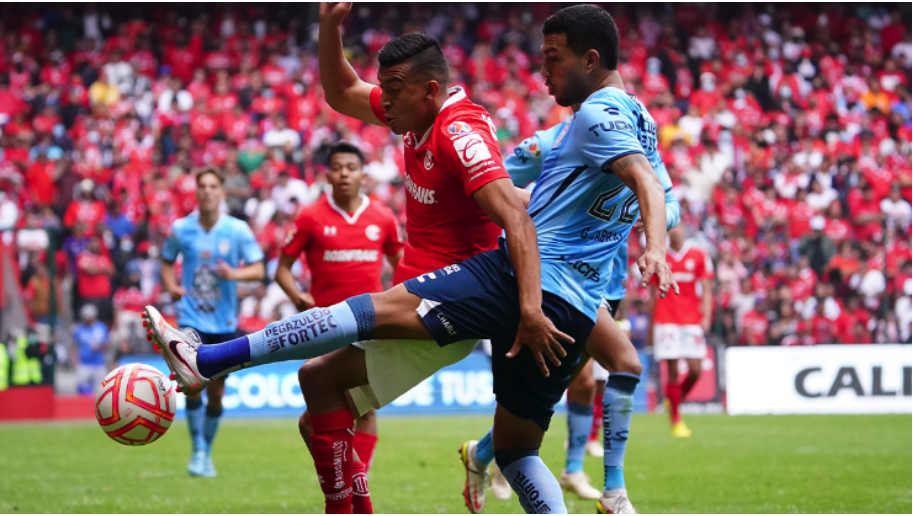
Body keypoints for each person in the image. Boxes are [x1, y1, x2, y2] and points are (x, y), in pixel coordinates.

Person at [145, 4, 676, 515]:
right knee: (511, 449)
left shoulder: (470, 131)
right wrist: (330, 27)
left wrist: (634, 256)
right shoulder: (423, 111)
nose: (540, 73)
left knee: (344, 344)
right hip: (556, 301)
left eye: (551, 58)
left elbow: (523, 215)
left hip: (489, 289)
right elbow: (343, 91)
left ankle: (210, 361)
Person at [459, 63, 681, 514]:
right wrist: (538, 202)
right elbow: (494, 186)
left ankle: (486, 453)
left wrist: (647, 216)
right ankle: (610, 488)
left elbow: (668, 201)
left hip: (607, 282)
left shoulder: (633, 142)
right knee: (619, 364)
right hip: (557, 280)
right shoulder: (547, 143)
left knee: (561, 385)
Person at [275, 141, 403, 511]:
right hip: (324, 326)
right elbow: (282, 268)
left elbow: (403, 264)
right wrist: (298, 296)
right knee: (325, 412)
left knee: (362, 408)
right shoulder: (309, 217)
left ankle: (352, 486)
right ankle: (354, 484)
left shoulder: (381, 217)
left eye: (351, 167)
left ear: (363, 174)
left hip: (371, 325)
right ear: (327, 174)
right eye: (337, 167)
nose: (344, 173)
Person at [160, 167, 265, 478]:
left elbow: (258, 269)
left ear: (221, 192)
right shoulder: (181, 229)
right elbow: (167, 261)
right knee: (192, 386)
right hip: (190, 319)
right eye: (201, 186)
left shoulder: (237, 231)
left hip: (224, 323)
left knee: (216, 393)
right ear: (196, 192)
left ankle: (206, 448)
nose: (206, 191)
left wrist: (235, 274)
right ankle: (198, 451)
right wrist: (171, 285)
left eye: (212, 186)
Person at [650, 224, 713, 438]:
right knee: (673, 370)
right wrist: (652, 324)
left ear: (685, 229)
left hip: (691, 319)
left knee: (696, 370)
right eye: (671, 227)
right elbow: (652, 293)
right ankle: (676, 420)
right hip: (666, 318)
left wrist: (706, 316)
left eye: (678, 226)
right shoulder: (659, 256)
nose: (675, 230)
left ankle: (674, 401)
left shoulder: (698, 255)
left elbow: (706, 289)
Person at [73, 304, 109, 395]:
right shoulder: (79, 328)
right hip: (84, 364)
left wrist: (100, 346)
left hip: (98, 364)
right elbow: (73, 346)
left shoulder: (101, 327)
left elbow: (107, 344)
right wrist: (75, 362)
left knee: (100, 393)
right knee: (82, 392)